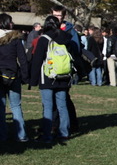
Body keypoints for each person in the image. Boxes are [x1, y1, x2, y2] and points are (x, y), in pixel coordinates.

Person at [29, 15, 76, 143]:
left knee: (48, 106)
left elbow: (37, 60)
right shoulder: (66, 37)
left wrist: (33, 80)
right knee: (62, 105)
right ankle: (64, 133)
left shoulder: (44, 39)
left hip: (48, 76)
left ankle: (47, 135)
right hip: (64, 76)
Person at [0, 13, 29, 142]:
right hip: (13, 75)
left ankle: (2, 135)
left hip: (0, 74)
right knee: (16, 106)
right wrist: (24, 76)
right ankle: (21, 134)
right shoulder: (16, 39)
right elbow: (22, 59)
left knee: (1, 107)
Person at [51, 5, 80, 133]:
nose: (57, 18)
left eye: (59, 15)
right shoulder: (49, 27)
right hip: (51, 68)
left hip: (64, 68)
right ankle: (56, 124)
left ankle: (69, 124)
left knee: (64, 98)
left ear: (64, 16)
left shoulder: (70, 30)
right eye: (55, 15)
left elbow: (76, 49)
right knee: (54, 98)